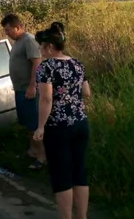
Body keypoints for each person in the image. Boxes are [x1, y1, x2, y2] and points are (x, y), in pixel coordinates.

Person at [33, 22, 91, 219]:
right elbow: (87, 92)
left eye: (41, 47)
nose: (40, 51)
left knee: (61, 174)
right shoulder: (78, 63)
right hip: (81, 123)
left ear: (49, 46)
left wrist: (41, 126)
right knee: (79, 172)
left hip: (58, 127)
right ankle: (82, 217)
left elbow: (46, 99)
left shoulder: (46, 67)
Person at [1, 13, 45, 168]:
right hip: (20, 90)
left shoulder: (29, 40)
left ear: (17, 27)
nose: (6, 33)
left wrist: (32, 86)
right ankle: (32, 151)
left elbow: (37, 63)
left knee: (34, 125)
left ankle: (41, 157)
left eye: (8, 30)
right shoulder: (18, 42)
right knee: (27, 124)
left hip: (29, 90)